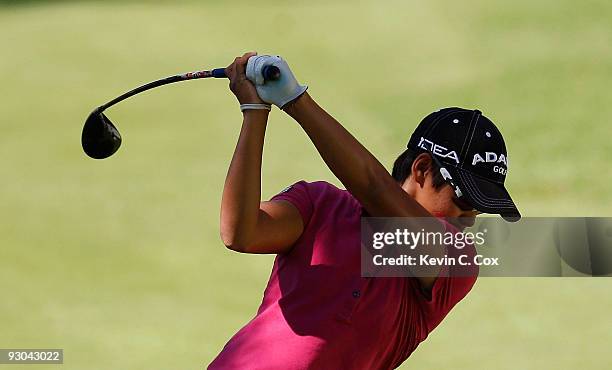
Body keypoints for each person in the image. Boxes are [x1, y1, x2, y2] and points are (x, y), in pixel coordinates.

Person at [209, 52, 520, 369]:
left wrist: (296, 101)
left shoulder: (458, 260)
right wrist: (255, 112)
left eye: (479, 211)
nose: (467, 221)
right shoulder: (320, 203)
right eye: (464, 202)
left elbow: (374, 186)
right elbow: (239, 234)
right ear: (423, 169)